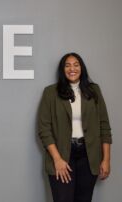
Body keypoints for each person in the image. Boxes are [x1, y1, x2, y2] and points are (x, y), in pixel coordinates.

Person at [37, 52, 112, 202]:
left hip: (88, 156)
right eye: (68, 65)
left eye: (76, 65)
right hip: (62, 154)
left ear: (81, 68)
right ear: (62, 70)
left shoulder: (94, 90)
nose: (72, 68)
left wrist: (106, 159)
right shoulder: (50, 92)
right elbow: (44, 129)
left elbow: (104, 126)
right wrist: (57, 159)